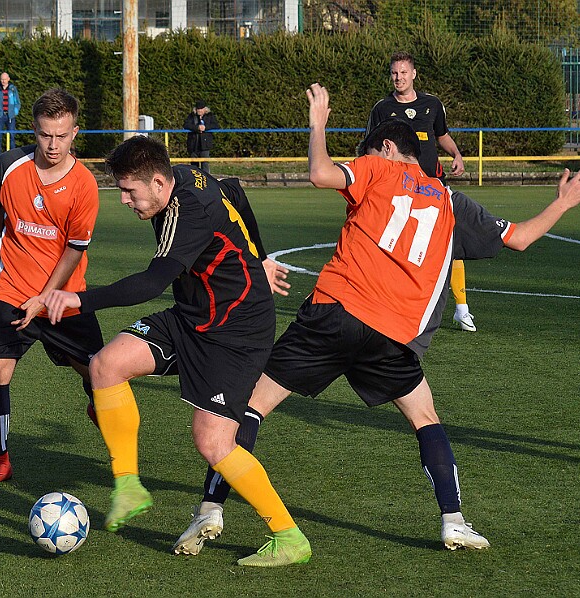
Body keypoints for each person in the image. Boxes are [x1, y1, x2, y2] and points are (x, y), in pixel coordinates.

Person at [175, 83, 580, 557]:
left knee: (249, 407)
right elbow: (521, 239)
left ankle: (209, 509)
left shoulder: (379, 168)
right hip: (393, 336)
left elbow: (321, 173)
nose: (361, 157)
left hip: (334, 313)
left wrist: (319, 124)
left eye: (366, 149)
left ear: (387, 147)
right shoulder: (452, 202)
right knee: (424, 416)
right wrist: (564, 203)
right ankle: (453, 521)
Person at [41, 136, 308, 568]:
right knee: (105, 365)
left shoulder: (190, 213)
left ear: (161, 182)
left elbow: (150, 283)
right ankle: (128, 486)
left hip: (237, 330)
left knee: (213, 441)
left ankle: (288, 535)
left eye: (130, 191)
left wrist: (79, 300)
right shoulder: (184, 179)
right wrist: (258, 257)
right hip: (193, 313)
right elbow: (233, 189)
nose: (125, 200)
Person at [0, 89, 104, 488]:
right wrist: (1, 259)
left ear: (74, 132)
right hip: (10, 291)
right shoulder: (7, 166)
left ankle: (115, 445)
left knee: (101, 374)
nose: (52, 144)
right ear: (34, 129)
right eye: (46, 134)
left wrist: (45, 296)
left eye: (61, 136)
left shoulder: (84, 185)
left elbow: (73, 251)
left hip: (64, 296)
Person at [366, 52, 475, 332]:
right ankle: (385, 302)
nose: (398, 77)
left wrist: (457, 154)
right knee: (392, 243)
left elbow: (442, 135)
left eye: (403, 72)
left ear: (413, 74)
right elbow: (372, 148)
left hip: (433, 186)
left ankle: (461, 308)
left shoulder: (432, 105)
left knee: (450, 241)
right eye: (394, 73)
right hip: (398, 190)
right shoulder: (382, 108)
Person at [0, 72, 20, 159]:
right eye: (2, 79)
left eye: (5, 79)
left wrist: (15, 112)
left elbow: (17, 103)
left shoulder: (13, 89)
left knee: (12, 137)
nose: (3, 81)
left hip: (10, 116)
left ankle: (13, 157)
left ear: (8, 79)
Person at [183, 100, 219, 174]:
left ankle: (206, 180)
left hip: (205, 144)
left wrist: (205, 128)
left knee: (205, 163)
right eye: (198, 109)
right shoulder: (191, 116)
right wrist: (197, 128)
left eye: (201, 109)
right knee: (194, 164)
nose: (199, 111)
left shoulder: (210, 116)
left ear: (205, 109)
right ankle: (195, 180)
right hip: (193, 144)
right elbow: (186, 125)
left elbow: (216, 125)